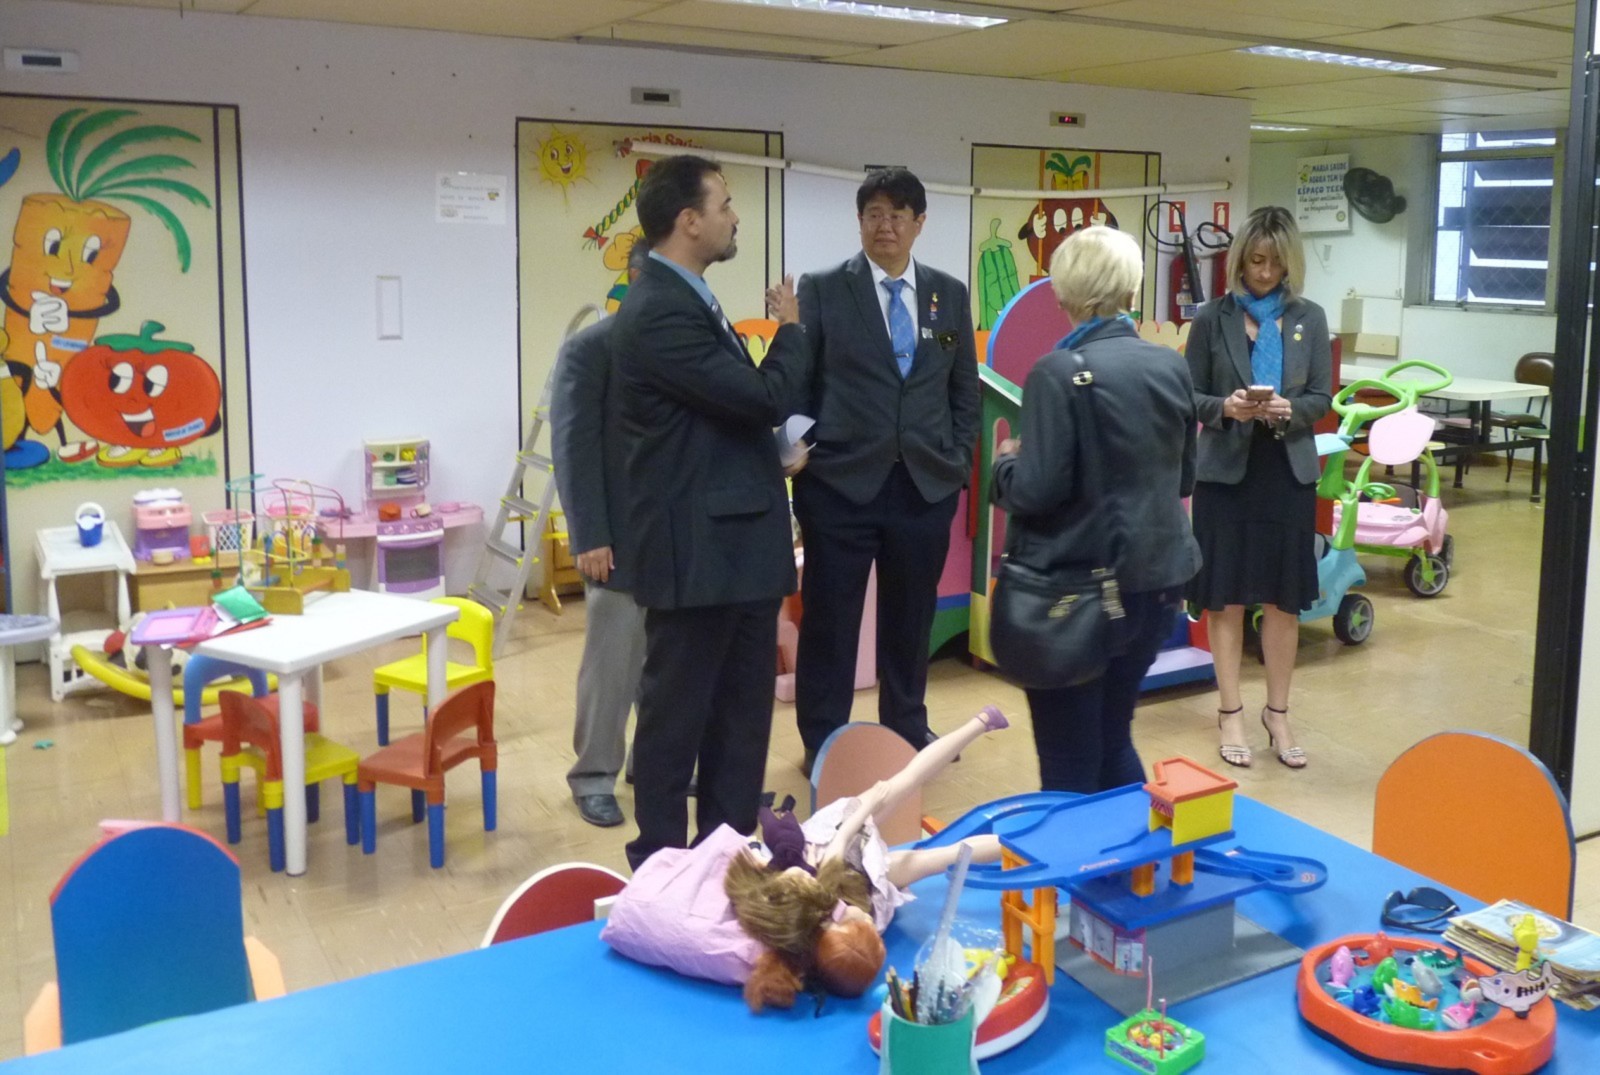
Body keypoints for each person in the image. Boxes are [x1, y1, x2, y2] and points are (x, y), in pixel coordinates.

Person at [612, 154, 812, 871]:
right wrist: (791, 331)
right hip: (698, 557)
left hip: (732, 552)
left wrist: (768, 453)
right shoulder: (661, 309)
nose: (734, 217)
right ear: (688, 220)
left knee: (739, 723)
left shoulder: (690, 297)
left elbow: (717, 420)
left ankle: (725, 860)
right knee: (677, 723)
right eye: (724, 204)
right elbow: (759, 398)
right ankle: (662, 868)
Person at [599, 706, 1009, 1011]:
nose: (867, 924)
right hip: (856, 866)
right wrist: (867, 809)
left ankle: (980, 728)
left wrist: (867, 807)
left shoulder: (802, 918)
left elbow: (830, 852)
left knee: (923, 826)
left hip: (839, 851)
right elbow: (840, 856)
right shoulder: (831, 918)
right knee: (931, 844)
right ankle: (984, 736)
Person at [991, 226, 1201, 794]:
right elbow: (1184, 478)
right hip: (1156, 585)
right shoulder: (1170, 365)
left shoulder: (1055, 372)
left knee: (1067, 759)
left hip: (1074, 596)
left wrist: (1006, 464)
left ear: (1064, 293)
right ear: (1131, 290)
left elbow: (1035, 492)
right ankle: (1125, 847)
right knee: (1114, 736)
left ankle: (1075, 853)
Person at [793, 168, 980, 776]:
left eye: (898, 215)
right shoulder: (824, 289)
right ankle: (824, 739)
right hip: (840, 486)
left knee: (912, 618)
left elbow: (963, 391)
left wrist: (956, 461)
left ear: (919, 223)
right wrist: (802, 451)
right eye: (874, 213)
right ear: (859, 221)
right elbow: (799, 381)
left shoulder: (948, 294)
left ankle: (905, 725)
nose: (886, 226)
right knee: (831, 622)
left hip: (923, 487)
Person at [1185, 206, 1332, 771]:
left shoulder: (1308, 318)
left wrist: (1292, 409)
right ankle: (1230, 713)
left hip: (1286, 473)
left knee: (1281, 600)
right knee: (1223, 599)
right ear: (1239, 260)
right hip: (1225, 475)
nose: (1265, 273)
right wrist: (1224, 408)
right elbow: (1188, 394)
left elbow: (1322, 395)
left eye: (1275, 262)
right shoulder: (1211, 318)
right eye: (1255, 261)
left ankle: (1278, 713)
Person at [550, 238, 653, 829]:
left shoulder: (679, 347)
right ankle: (593, 776)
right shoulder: (591, 348)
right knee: (611, 668)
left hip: (675, 541)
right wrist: (589, 534)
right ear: (636, 279)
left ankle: (652, 762)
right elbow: (573, 447)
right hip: (614, 540)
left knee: (666, 669)